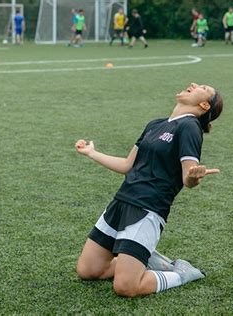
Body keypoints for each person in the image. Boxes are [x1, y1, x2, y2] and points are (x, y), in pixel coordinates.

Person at [75, 83, 223, 297]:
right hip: (121, 202)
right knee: (87, 271)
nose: (193, 84)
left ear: (204, 105)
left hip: (148, 209)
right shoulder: (155, 124)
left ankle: (182, 273)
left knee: (126, 287)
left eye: (202, 87)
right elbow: (127, 165)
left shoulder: (189, 127)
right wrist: (92, 153)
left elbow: (188, 177)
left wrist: (193, 178)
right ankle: (142, 258)